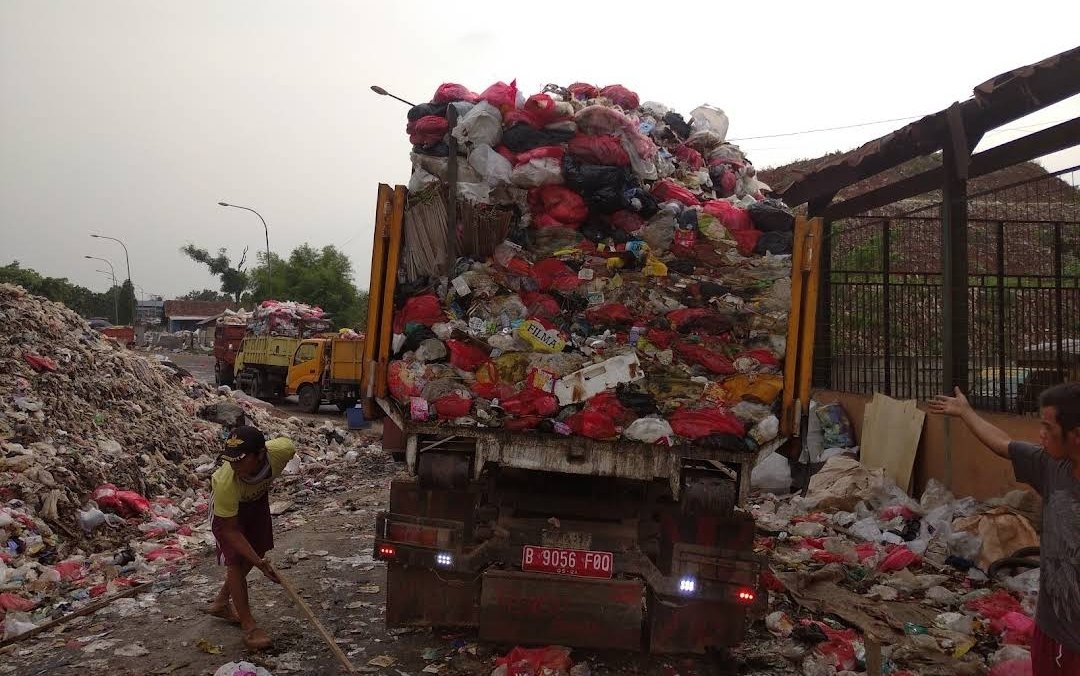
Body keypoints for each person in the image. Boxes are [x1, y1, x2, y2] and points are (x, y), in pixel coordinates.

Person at [930, 383, 1080, 675]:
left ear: (1076, 435)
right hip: (1050, 627)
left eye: (1048, 427)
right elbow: (1004, 444)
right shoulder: (1051, 466)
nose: (1041, 435)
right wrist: (965, 412)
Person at [204, 425, 296, 650]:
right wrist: (258, 564)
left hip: (256, 502)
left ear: (261, 455)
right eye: (231, 460)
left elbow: (287, 443)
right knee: (236, 562)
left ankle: (221, 603)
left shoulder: (282, 451)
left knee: (259, 550)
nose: (234, 466)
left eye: (241, 460)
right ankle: (249, 626)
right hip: (228, 515)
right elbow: (230, 530)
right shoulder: (225, 480)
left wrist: (258, 559)